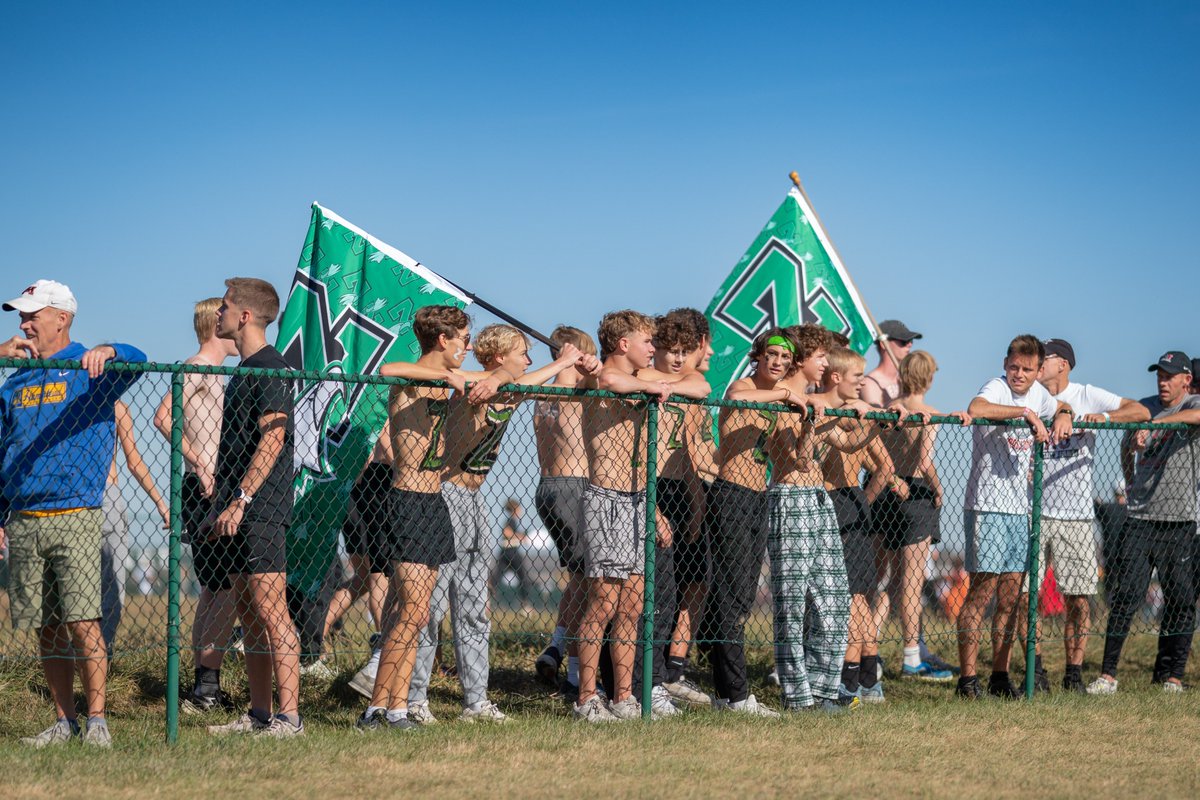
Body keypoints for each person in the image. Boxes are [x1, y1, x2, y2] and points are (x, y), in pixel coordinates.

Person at [407, 325, 587, 725]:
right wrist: (559, 361)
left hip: (476, 503)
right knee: (433, 607)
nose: (528, 359)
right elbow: (490, 380)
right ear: (499, 356)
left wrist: (576, 363)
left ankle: (476, 701)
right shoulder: (471, 383)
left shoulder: (512, 386)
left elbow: (532, 383)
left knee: (474, 609)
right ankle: (415, 699)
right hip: (445, 498)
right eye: (523, 352)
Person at [0, 279, 146, 748]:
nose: (24, 324)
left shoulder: (92, 369)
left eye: (32, 315)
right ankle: (63, 722)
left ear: (62, 319)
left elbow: (139, 359)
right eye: (20, 317)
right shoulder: (15, 377)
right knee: (45, 627)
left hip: (76, 513)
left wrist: (112, 348)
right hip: (23, 516)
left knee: (84, 622)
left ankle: (97, 721)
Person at [355, 305, 512, 731]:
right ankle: (376, 710)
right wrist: (448, 377)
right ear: (443, 340)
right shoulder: (414, 380)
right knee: (408, 612)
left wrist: (496, 377)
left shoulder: (454, 381)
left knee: (418, 612)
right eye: (463, 338)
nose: (469, 347)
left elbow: (507, 377)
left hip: (434, 504)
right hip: (406, 502)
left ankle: (398, 708)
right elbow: (389, 367)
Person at [573, 310, 709, 723]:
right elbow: (611, 381)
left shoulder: (648, 380)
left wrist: (658, 385)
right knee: (602, 604)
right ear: (622, 344)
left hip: (639, 501)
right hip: (605, 498)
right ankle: (585, 698)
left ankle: (625, 696)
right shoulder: (601, 377)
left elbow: (701, 386)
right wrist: (653, 386)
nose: (655, 349)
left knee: (632, 607)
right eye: (647, 342)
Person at [202, 278, 303, 738]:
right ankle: (259, 713)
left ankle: (290, 718)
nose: (217, 314)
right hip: (236, 509)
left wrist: (242, 499)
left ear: (244, 316)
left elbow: (274, 437)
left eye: (224, 307)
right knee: (247, 609)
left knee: (270, 609)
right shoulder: (243, 370)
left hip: (261, 510)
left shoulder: (271, 367)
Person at [701, 327, 811, 718]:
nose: (779, 363)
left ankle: (719, 683)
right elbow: (737, 399)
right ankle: (736, 695)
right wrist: (785, 395)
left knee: (743, 597)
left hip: (759, 498)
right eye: (772, 355)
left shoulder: (780, 404)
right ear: (758, 356)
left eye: (785, 358)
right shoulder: (744, 388)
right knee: (731, 599)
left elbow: (797, 458)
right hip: (730, 494)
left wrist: (808, 424)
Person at [956, 334, 1072, 700]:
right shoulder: (997, 388)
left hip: (1018, 511)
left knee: (1011, 598)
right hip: (987, 506)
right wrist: (1024, 414)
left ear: (1039, 370)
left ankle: (999, 676)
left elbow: (1060, 404)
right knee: (980, 593)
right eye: (1013, 367)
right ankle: (967, 680)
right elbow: (977, 408)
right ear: (1004, 365)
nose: (1018, 375)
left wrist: (1064, 414)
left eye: (1026, 369)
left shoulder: (1039, 393)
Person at [1034, 339, 1149, 692]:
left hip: (1076, 514)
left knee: (1079, 598)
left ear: (1063, 364)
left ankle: (1073, 672)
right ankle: (1034, 671)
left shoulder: (1086, 393)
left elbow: (1140, 412)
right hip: (1034, 510)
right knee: (1028, 597)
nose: (1038, 362)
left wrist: (1105, 418)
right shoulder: (1033, 396)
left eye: (1045, 357)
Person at [1089, 352, 1200, 694]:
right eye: (1159, 376)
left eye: (1170, 376)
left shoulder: (1193, 402)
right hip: (1140, 518)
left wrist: (1155, 426)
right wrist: (1130, 473)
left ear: (1186, 380)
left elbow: (1196, 415)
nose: (1163, 382)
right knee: (1125, 597)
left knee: (1180, 599)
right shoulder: (1144, 407)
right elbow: (1126, 441)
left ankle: (1173, 677)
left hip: (1179, 520)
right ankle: (1108, 675)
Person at [153, 297, 241, 712]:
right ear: (214, 323)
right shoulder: (198, 366)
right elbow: (163, 416)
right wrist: (199, 462)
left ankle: (203, 685)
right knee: (225, 591)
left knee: (214, 590)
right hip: (203, 489)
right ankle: (205, 688)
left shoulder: (217, 373)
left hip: (213, 488)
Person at [876, 351, 970, 682]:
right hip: (915, 496)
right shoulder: (927, 414)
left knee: (882, 581)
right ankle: (912, 656)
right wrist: (939, 488)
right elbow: (924, 461)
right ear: (929, 378)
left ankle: (867, 650)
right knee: (912, 584)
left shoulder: (887, 411)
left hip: (885, 492)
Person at [817, 346, 901, 704]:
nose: (861, 384)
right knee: (860, 599)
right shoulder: (841, 412)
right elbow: (884, 467)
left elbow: (883, 466)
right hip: (853, 503)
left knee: (852, 599)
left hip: (841, 502)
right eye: (856, 378)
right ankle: (868, 681)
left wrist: (864, 500)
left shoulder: (846, 415)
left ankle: (849, 684)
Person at [533, 325, 600, 693]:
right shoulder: (573, 386)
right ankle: (574, 671)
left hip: (547, 487)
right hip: (574, 487)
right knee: (589, 585)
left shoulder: (545, 390)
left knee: (577, 578)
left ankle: (558, 646)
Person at [661, 309, 717, 708]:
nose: (678, 359)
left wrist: (698, 506)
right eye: (670, 350)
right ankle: (654, 672)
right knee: (656, 589)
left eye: (685, 351)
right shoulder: (646, 383)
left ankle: (676, 668)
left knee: (695, 581)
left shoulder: (693, 386)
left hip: (687, 489)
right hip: (655, 489)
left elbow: (697, 452)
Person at [100, 399, 171, 653]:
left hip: (74, 497)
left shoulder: (71, 397)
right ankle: (100, 656)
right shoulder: (117, 406)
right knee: (112, 590)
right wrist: (161, 503)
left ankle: (75, 656)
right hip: (108, 495)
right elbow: (134, 463)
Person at [335, 424, 394, 699]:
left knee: (364, 579)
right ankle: (383, 655)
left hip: (358, 485)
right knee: (377, 577)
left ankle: (310, 640)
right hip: (373, 483)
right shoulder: (384, 396)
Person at [860, 319, 920, 408]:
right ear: (883, 344)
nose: (909, 345)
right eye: (903, 341)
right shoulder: (869, 382)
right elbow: (877, 420)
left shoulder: (906, 382)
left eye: (911, 341)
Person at [492, 499, 535, 611]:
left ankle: (486, 600)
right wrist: (520, 537)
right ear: (515, 509)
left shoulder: (511, 521)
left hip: (504, 552)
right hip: (511, 552)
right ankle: (525, 604)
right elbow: (506, 532)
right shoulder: (511, 520)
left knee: (496, 578)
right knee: (523, 578)